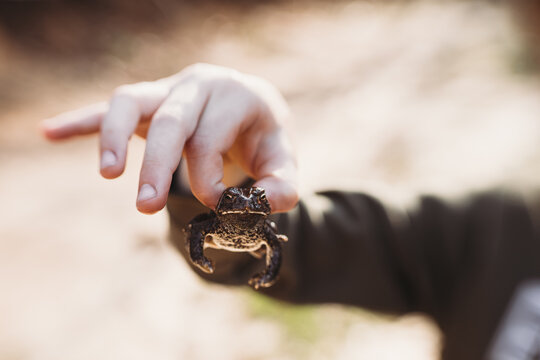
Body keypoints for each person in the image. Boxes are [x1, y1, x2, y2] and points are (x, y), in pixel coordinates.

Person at [41, 63, 540, 360]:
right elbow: (305, 243)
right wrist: (220, 166)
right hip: (234, 218)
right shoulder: (501, 230)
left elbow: (273, 246)